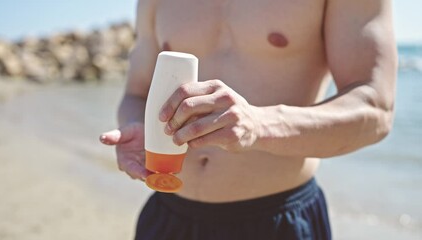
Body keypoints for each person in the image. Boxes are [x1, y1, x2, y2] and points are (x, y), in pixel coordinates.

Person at [100, 0, 397, 239]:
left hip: (277, 222)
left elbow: (376, 108)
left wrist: (259, 124)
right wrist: (141, 128)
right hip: (168, 216)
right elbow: (136, 93)